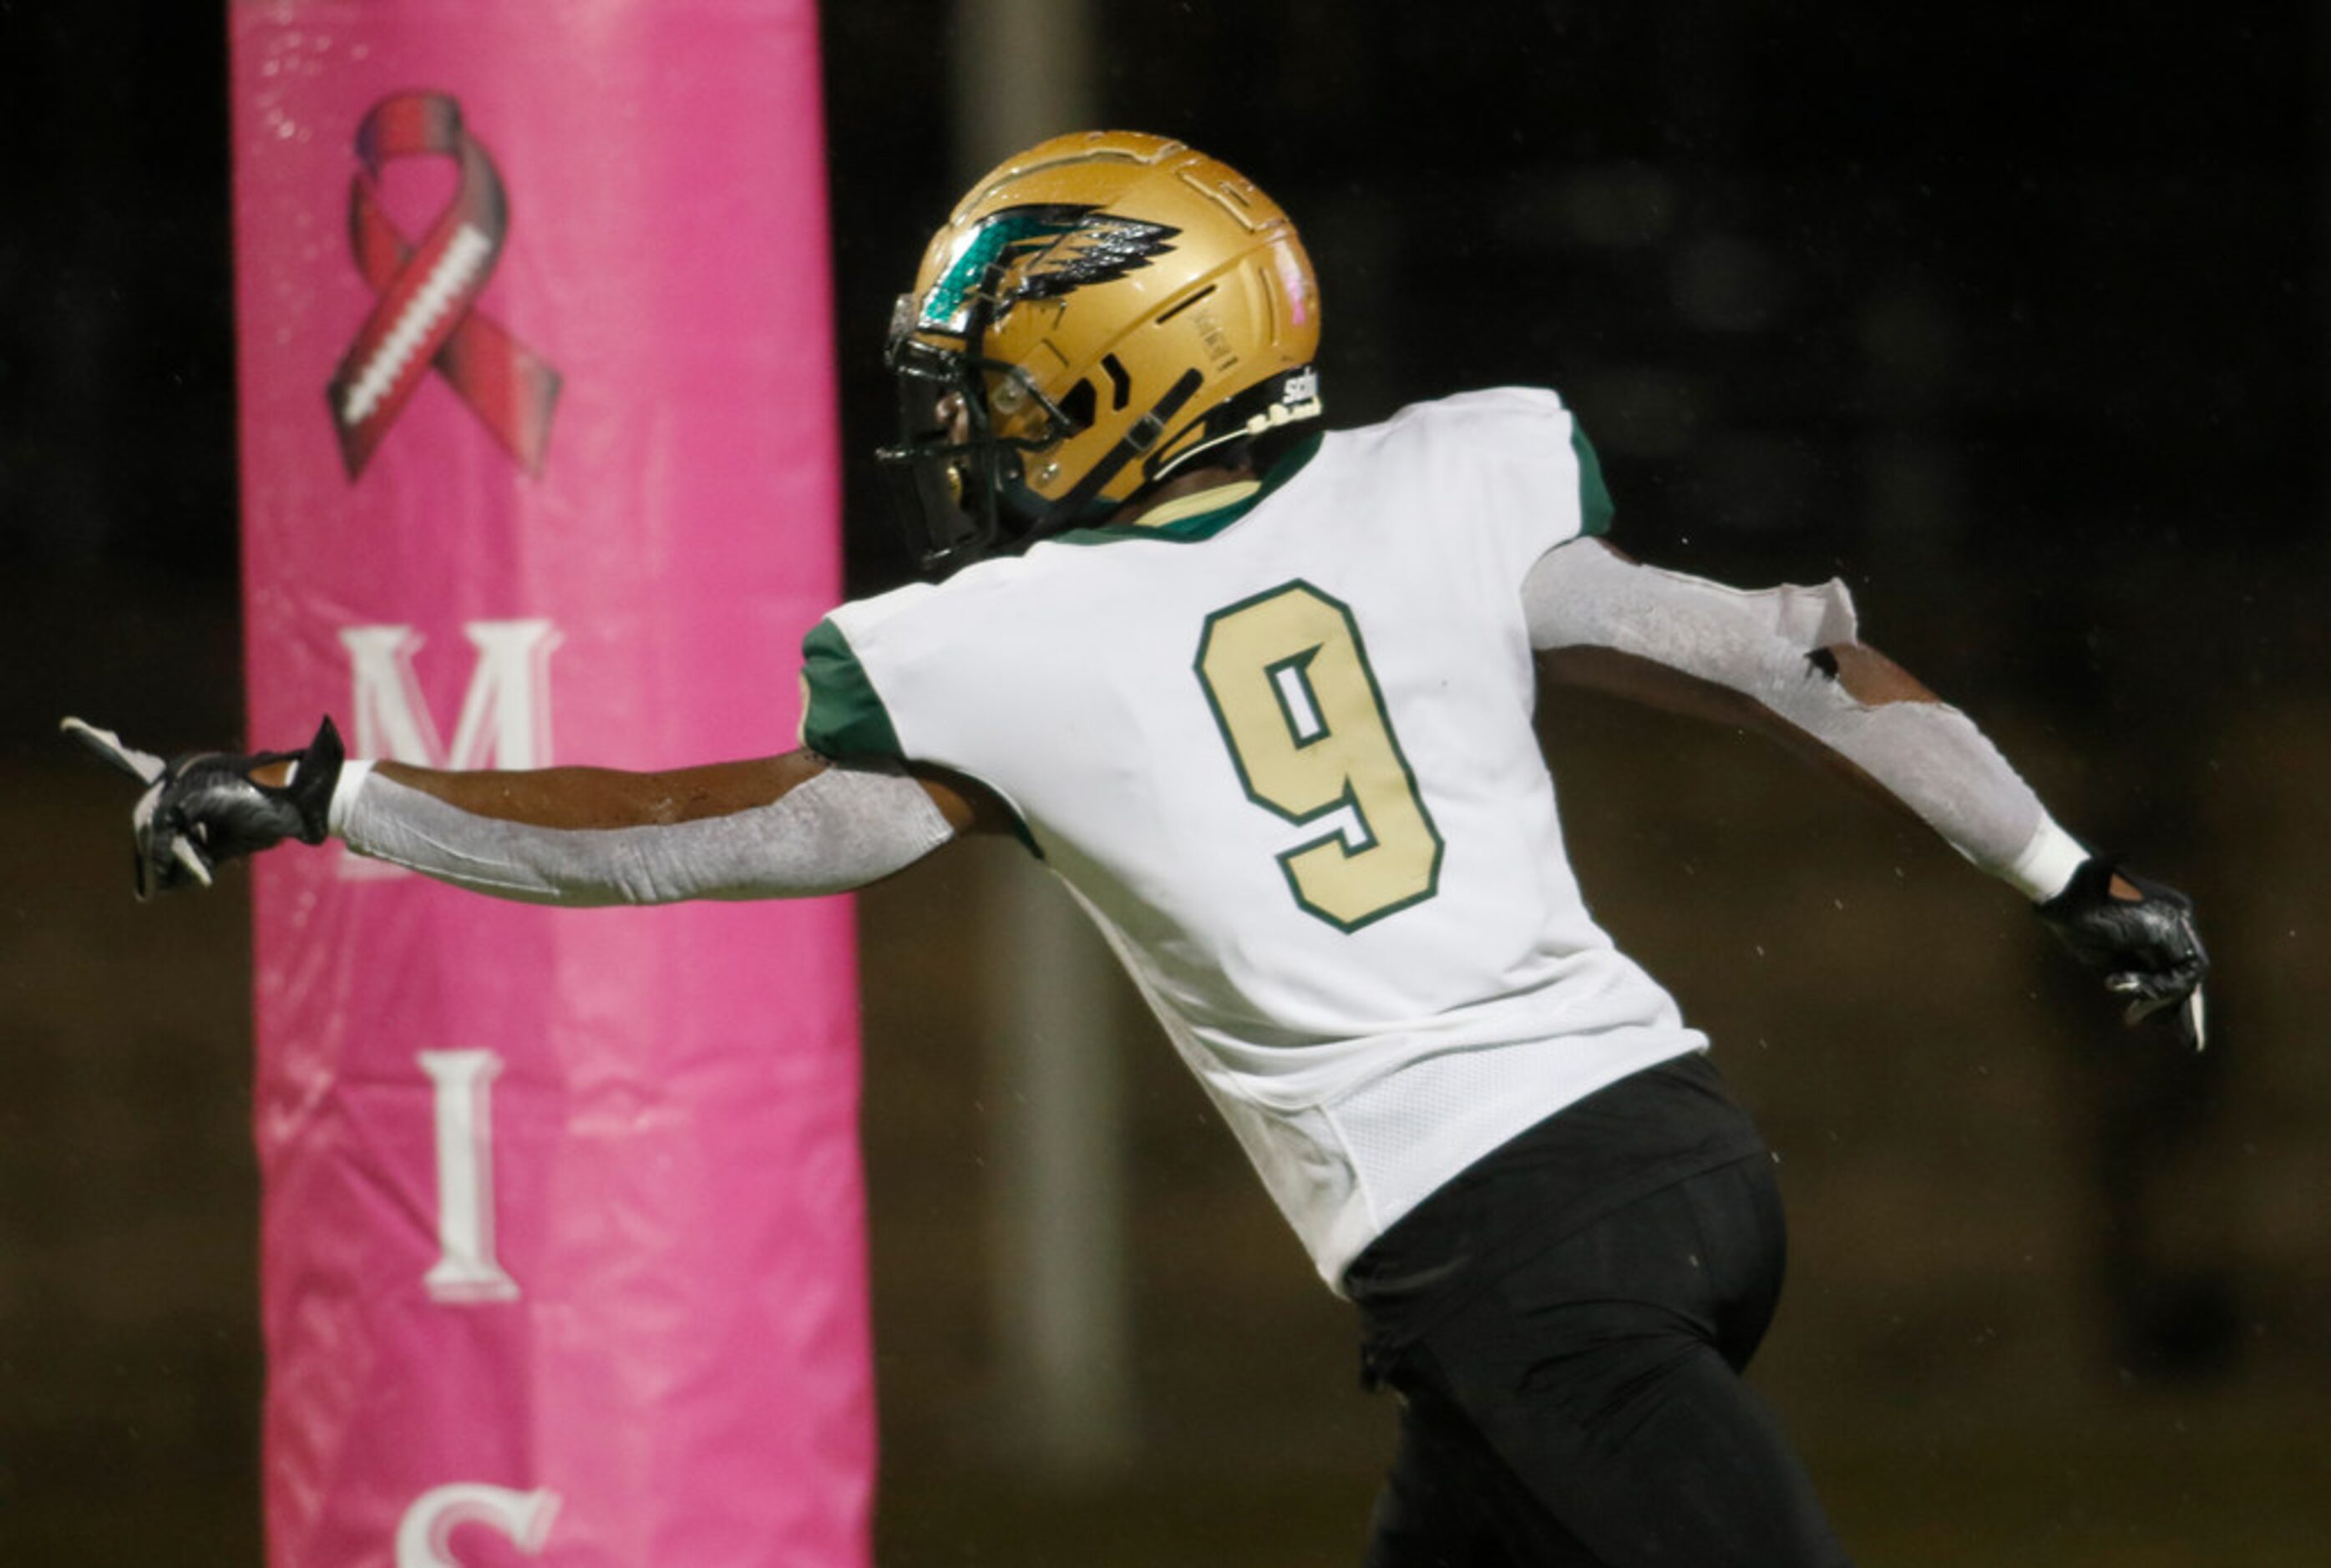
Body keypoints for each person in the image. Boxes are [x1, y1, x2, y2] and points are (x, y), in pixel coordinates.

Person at [70, 131, 2207, 1567]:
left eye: (994, 388)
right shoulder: (1442, 486)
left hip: (1503, 1251)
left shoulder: (990, 654)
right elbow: (1795, 670)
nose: (964, 433)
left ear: (1122, 372)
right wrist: (2069, 879)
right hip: (1680, 1164)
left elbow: (677, 847)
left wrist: (341, 798)